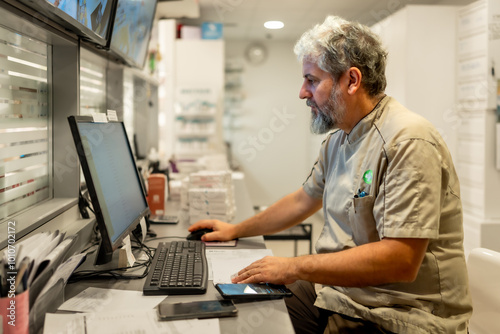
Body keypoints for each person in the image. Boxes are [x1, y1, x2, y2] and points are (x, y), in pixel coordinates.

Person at [189, 15, 472, 334]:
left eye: (312, 80)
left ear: (351, 81)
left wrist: (293, 266)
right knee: (244, 307)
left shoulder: (408, 141)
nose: (302, 92)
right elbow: (302, 200)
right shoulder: (340, 139)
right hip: (345, 293)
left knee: (268, 322)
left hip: (400, 313)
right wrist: (235, 229)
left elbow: (401, 260)